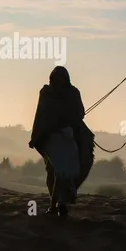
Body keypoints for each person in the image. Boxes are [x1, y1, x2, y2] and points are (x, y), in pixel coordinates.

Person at [29, 66, 86, 218]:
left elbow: (80, 113)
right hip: (53, 137)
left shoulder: (69, 93)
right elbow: (40, 115)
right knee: (56, 171)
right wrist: (35, 136)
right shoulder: (50, 93)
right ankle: (58, 204)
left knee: (61, 172)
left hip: (62, 137)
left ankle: (59, 205)